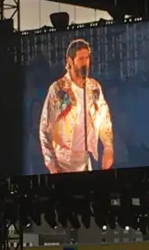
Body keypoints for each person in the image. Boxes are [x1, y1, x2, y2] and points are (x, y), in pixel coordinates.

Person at [39, 39, 114, 173]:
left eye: (87, 58)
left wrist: (108, 147)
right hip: (62, 161)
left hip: (85, 158)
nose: (85, 63)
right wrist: (52, 164)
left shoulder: (94, 87)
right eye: (80, 59)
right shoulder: (58, 89)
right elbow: (45, 128)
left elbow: (104, 120)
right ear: (70, 61)